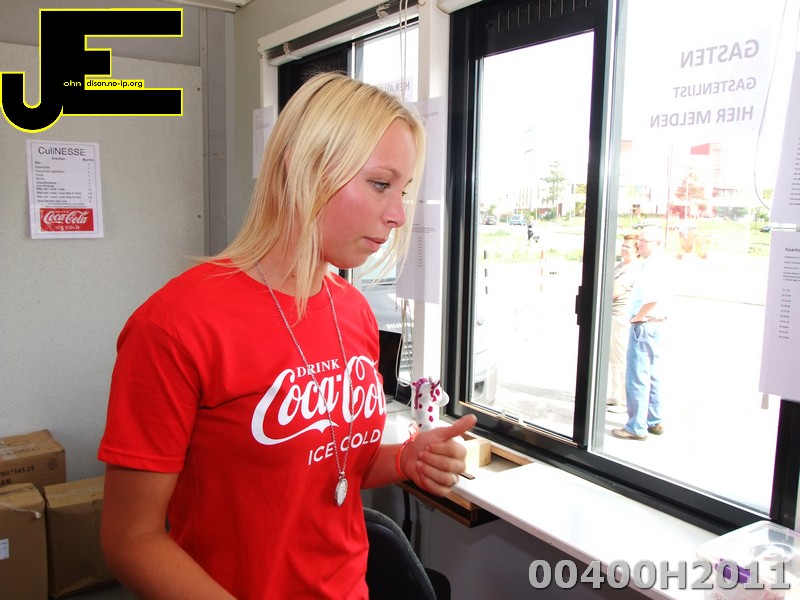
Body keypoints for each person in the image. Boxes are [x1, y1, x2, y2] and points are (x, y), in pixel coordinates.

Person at [97, 72, 477, 599]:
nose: (396, 215)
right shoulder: (174, 326)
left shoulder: (354, 312)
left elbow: (336, 463)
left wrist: (404, 459)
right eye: (380, 184)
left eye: (404, 191)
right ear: (305, 168)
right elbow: (131, 539)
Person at [612, 224, 669, 440]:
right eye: (640, 241)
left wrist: (638, 317)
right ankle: (654, 420)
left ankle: (635, 427)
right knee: (652, 375)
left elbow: (651, 299)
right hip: (655, 325)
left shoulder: (651, 267)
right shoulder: (661, 264)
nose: (640, 245)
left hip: (645, 324)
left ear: (657, 243)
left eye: (644, 241)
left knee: (637, 377)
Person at [606, 234, 640, 413]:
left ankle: (621, 400)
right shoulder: (621, 266)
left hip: (620, 317)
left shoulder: (632, 269)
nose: (624, 249)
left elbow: (614, 291)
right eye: (623, 246)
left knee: (619, 358)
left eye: (628, 247)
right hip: (612, 315)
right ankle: (615, 395)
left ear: (637, 251)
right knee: (613, 357)